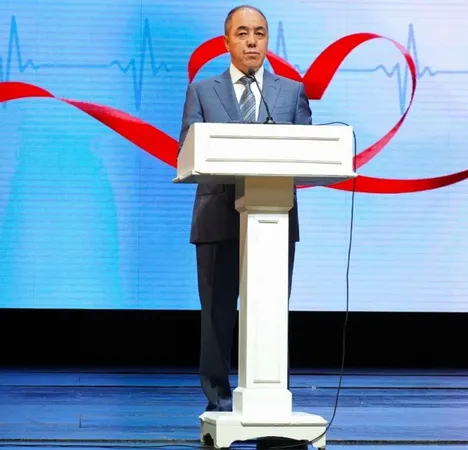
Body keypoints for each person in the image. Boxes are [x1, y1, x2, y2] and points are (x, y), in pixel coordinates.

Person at [177, 4, 313, 412]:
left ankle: (272, 401)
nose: (252, 41)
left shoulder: (292, 92)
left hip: (274, 218)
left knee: (271, 314)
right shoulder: (203, 91)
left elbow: (307, 152)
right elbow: (187, 149)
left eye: (259, 33)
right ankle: (218, 402)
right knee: (217, 316)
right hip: (217, 217)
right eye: (242, 33)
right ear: (226, 42)